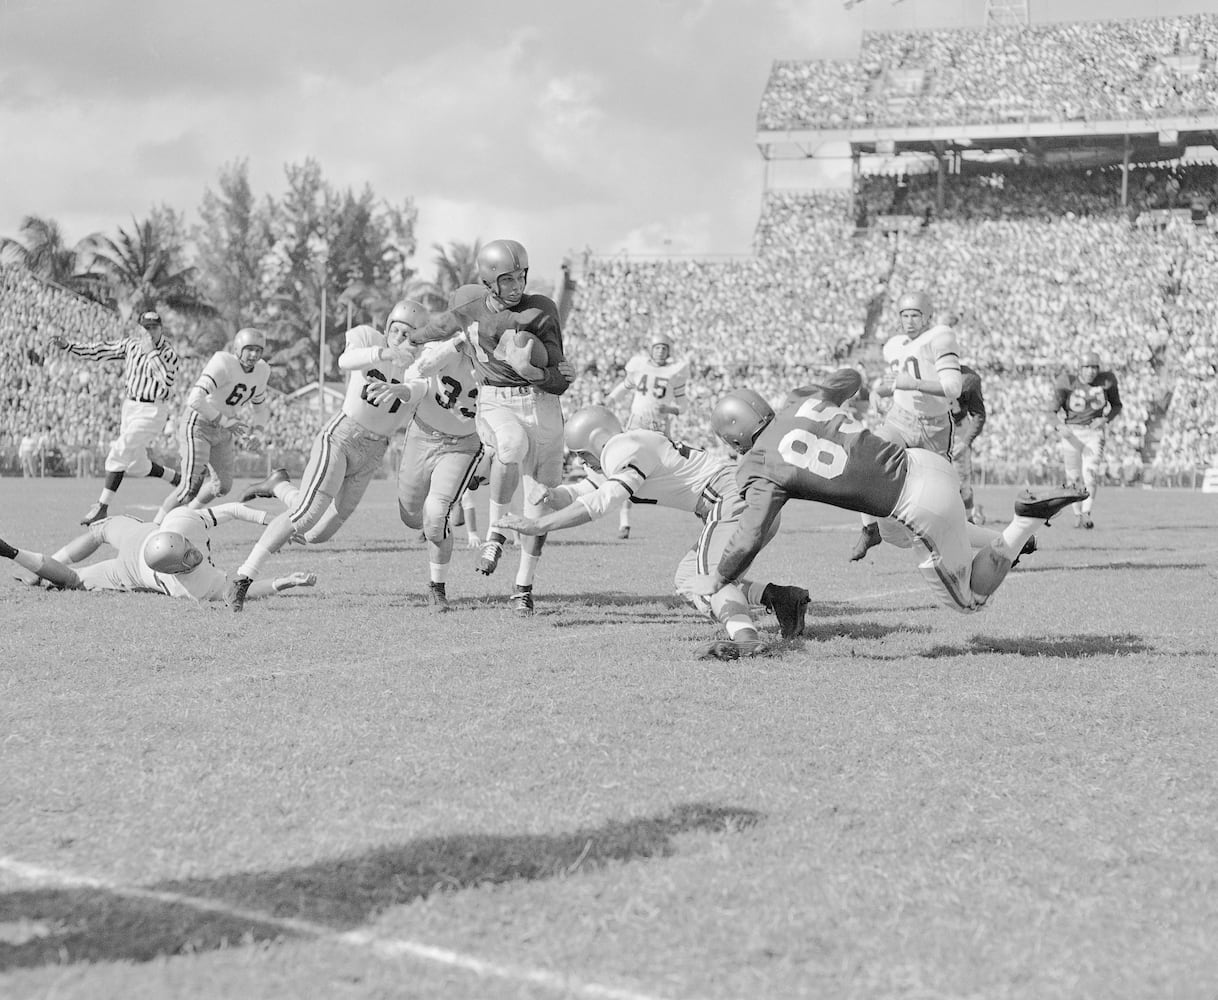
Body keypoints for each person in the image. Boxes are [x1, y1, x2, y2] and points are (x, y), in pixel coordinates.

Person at [699, 370, 1086, 617]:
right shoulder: (800, 401)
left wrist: (719, 577)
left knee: (969, 601)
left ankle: (1023, 522)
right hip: (921, 461)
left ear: (734, 436)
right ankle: (1009, 539)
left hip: (916, 503)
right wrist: (855, 392)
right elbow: (849, 377)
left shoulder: (757, 464)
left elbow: (750, 533)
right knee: (897, 535)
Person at [493, 405, 810, 659]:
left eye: (582, 453)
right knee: (689, 578)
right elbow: (583, 491)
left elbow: (603, 502)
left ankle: (747, 641)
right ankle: (780, 598)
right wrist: (551, 496)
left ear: (596, 439)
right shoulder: (628, 449)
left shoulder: (623, 448)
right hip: (742, 498)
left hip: (731, 499)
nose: (582, 461)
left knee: (708, 580)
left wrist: (540, 525)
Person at [225, 301, 433, 612]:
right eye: (397, 330)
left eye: (409, 335)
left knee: (319, 533)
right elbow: (345, 360)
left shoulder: (422, 362)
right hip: (342, 436)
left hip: (375, 451)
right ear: (387, 326)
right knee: (306, 515)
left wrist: (403, 389)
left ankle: (279, 486)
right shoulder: (368, 337)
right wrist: (385, 354)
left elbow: (419, 387)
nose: (400, 338)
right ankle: (243, 577)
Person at [407, 239, 576, 616]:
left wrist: (536, 372)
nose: (517, 286)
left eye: (521, 277)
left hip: (543, 405)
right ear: (488, 282)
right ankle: (496, 533)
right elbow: (441, 325)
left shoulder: (542, 309)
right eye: (508, 280)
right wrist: (412, 337)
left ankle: (523, 587)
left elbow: (559, 376)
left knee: (540, 503)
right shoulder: (470, 304)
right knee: (510, 445)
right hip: (497, 400)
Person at [1, 504, 316, 602]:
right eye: (189, 557)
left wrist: (269, 520)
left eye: (189, 547)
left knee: (99, 529)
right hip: (132, 570)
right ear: (174, 571)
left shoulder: (182, 523)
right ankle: (13, 553)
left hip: (144, 535)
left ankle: (24, 558)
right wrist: (283, 582)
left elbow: (232, 509)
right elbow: (239, 590)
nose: (195, 553)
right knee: (73, 580)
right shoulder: (191, 586)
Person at [851, 290, 961, 562]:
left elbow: (953, 387)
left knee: (943, 495)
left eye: (915, 315)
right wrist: (879, 391)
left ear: (928, 317)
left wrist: (912, 384)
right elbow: (894, 381)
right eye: (905, 314)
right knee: (868, 460)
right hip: (901, 419)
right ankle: (869, 528)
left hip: (935, 427)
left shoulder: (940, 337)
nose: (909, 320)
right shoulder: (894, 345)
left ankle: (964, 544)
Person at [396, 286, 484, 613]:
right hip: (423, 434)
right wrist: (459, 342)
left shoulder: (495, 351)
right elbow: (422, 369)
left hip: (463, 443)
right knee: (410, 515)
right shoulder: (440, 343)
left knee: (435, 518)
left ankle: (437, 587)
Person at [50, 310, 182, 525]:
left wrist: (151, 353)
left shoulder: (168, 353)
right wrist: (69, 346)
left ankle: (101, 506)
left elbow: (166, 382)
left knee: (119, 452)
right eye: (145, 327)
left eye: (153, 328)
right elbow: (99, 351)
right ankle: (178, 479)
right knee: (136, 465)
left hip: (152, 409)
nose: (148, 332)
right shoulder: (131, 345)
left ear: (161, 329)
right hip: (130, 406)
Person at [154, 327, 271, 525]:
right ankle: (153, 527)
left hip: (224, 429)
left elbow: (260, 409)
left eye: (258, 350)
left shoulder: (262, 370)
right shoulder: (223, 362)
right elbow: (195, 399)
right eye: (249, 349)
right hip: (199, 423)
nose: (254, 355)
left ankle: (189, 514)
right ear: (237, 349)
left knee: (223, 486)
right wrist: (225, 422)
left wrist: (256, 434)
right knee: (189, 487)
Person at [605, 331, 690, 539]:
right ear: (651, 349)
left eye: (664, 348)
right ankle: (624, 522)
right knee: (626, 468)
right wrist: (608, 401)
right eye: (657, 347)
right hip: (637, 422)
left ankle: (686, 508)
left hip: (660, 425)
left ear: (669, 351)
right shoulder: (639, 367)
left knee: (667, 468)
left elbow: (683, 405)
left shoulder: (674, 372)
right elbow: (623, 388)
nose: (660, 351)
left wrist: (669, 411)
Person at [1051, 351, 1122, 529]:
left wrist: (1105, 419)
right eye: (1087, 367)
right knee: (1073, 477)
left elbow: (1117, 405)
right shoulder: (1067, 381)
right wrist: (1060, 426)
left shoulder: (1107, 381)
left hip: (1093, 432)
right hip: (1072, 433)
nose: (1091, 371)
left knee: (1090, 473)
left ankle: (1087, 513)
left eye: (1094, 367)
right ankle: (1077, 514)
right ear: (1079, 368)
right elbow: (1051, 411)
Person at [950, 363, 987, 525]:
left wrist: (965, 442)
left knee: (962, 483)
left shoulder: (969, 379)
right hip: (932, 428)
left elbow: (978, 415)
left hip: (958, 430)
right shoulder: (925, 369)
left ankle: (969, 519)